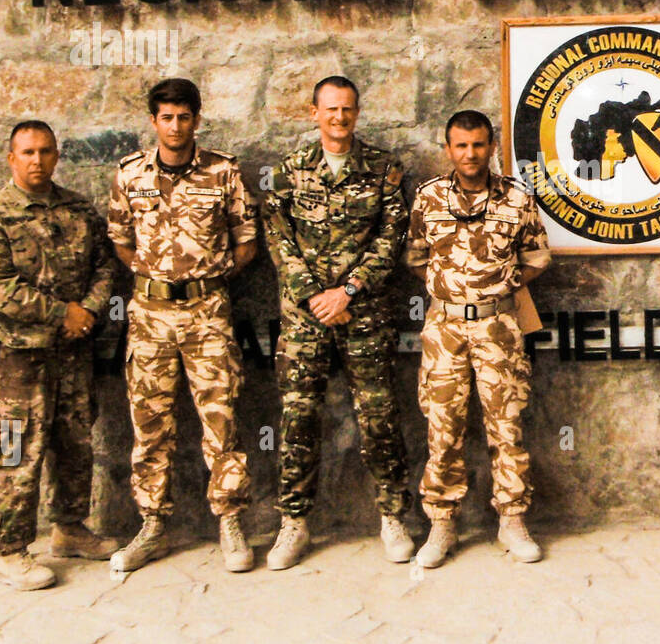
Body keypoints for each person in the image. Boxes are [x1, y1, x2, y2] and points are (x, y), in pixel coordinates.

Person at [262, 76, 413, 569]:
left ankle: (393, 516)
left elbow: (391, 240)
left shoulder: (386, 171)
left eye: (347, 109)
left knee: (379, 416)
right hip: (305, 320)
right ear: (314, 113)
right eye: (330, 109)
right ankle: (294, 521)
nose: (339, 118)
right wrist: (315, 297)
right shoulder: (288, 173)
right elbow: (280, 244)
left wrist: (347, 292)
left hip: (364, 314)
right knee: (298, 418)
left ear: (357, 113)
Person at [0, 121, 119, 590]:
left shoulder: (79, 209)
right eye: (27, 152)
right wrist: (61, 314)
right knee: (17, 451)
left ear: (56, 156)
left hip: (73, 351)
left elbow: (105, 266)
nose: (37, 160)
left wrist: (88, 310)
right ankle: (9, 550)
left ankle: (69, 529)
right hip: (20, 357)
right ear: (11, 159)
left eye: (45, 151)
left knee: (75, 444)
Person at [107, 78, 256, 573]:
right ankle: (152, 524)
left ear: (197, 118)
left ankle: (230, 519)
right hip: (150, 317)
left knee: (222, 420)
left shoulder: (223, 171)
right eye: (166, 117)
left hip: (207, 314)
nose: (175, 126)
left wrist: (204, 282)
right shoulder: (129, 175)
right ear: (154, 122)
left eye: (184, 116)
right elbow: (121, 242)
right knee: (150, 426)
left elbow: (246, 242)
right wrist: (159, 280)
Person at [404, 110, 550, 568]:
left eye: (479, 144)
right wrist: (452, 291)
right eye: (461, 145)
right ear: (448, 148)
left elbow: (537, 257)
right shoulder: (428, 198)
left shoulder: (518, 198)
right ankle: (442, 523)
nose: (471, 154)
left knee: (506, 427)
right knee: (443, 429)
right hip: (445, 330)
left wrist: (500, 286)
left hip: (499, 327)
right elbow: (414, 256)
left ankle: (512, 519)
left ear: (491, 146)